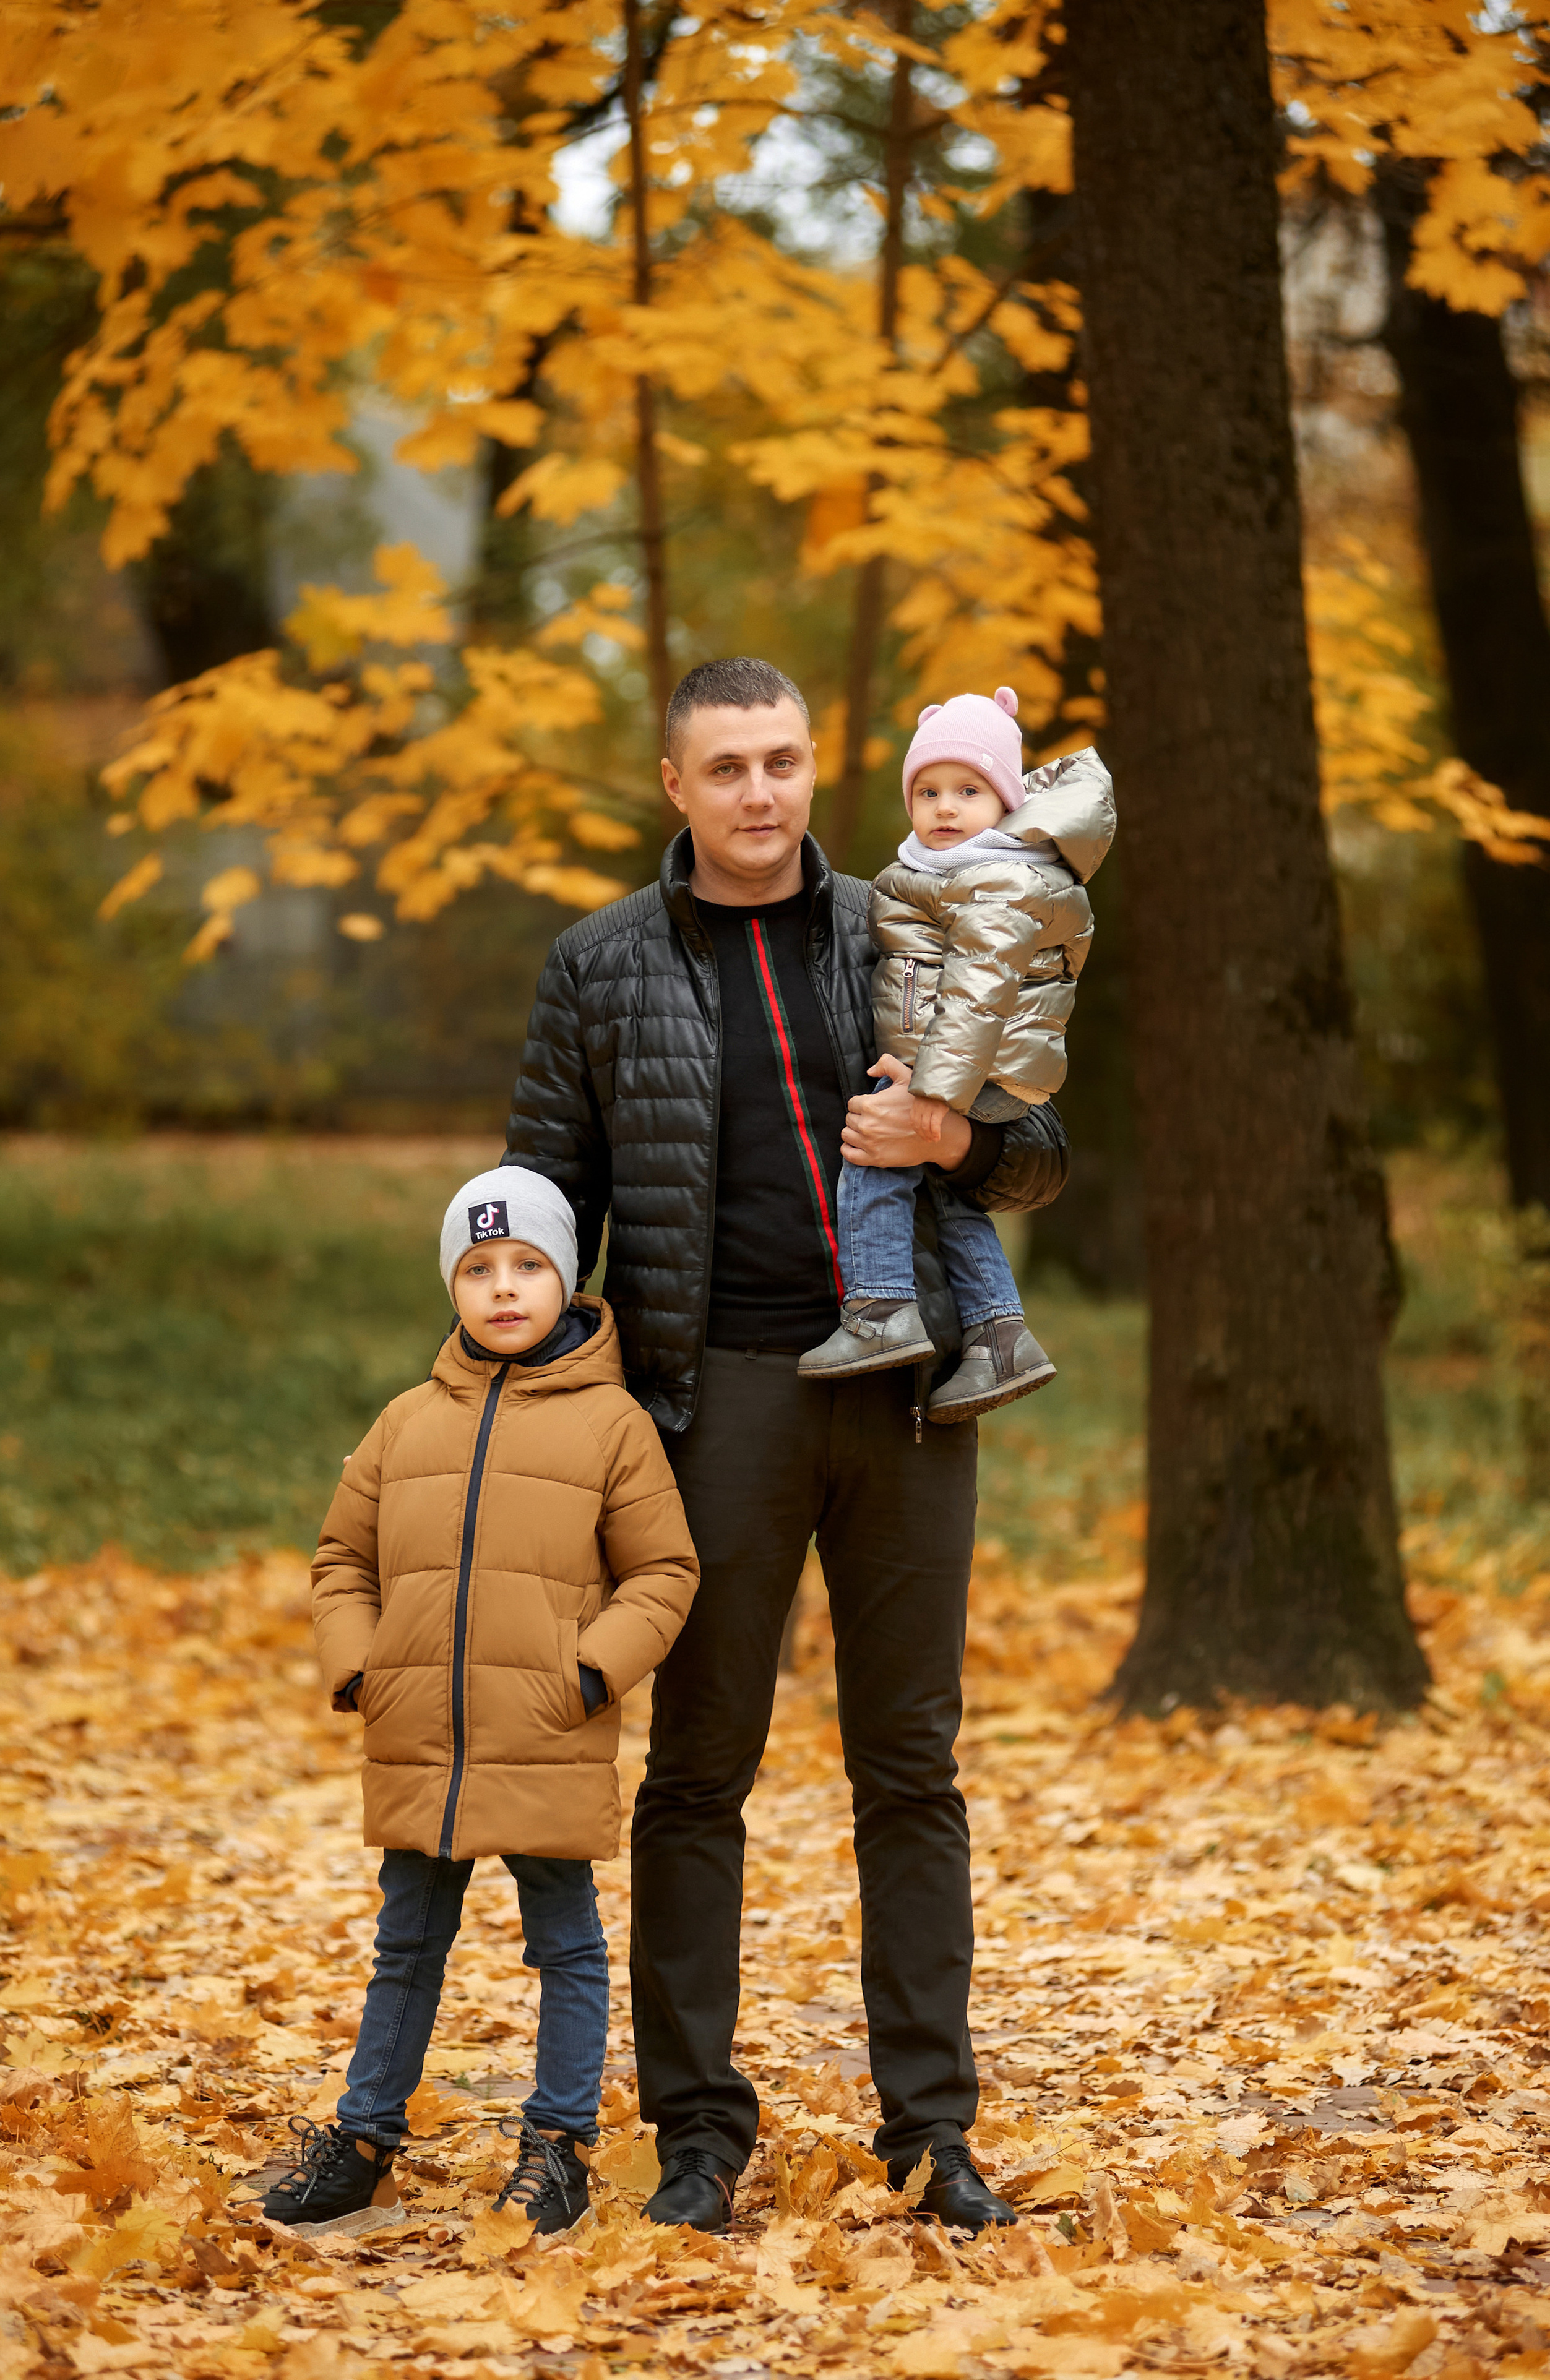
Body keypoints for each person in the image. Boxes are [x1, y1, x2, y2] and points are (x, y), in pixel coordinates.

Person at [505, 656, 1070, 2235]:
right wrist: (542, 1422)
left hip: (906, 1396)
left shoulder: (908, 918)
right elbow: (543, 1212)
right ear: (674, 785)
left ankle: (930, 2133)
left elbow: (1035, 1143)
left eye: (781, 760)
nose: (759, 791)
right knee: (696, 1771)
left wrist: (954, 1135)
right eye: (726, 767)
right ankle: (696, 2135)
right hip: (712, 1409)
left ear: (815, 767)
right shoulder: (596, 965)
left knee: (911, 1767)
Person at [261, 1167, 699, 2239]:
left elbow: (664, 1571)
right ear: (453, 1286)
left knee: (566, 1943)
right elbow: (341, 1557)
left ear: (567, 1279)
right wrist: (363, 1666)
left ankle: (558, 2147)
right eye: (478, 1267)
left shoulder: (613, 1425)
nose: (504, 1286)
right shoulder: (405, 1422)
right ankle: (365, 2138)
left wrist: (588, 1672)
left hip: (546, 1729)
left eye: (528, 1265)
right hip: (420, 1732)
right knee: (406, 1942)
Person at [799, 687, 1115, 1420]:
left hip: (979, 1067)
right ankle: (1000, 1335)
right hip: (973, 1063)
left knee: (874, 1151)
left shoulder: (997, 877)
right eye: (928, 791)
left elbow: (978, 988)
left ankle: (880, 1307)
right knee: (945, 1191)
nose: (945, 807)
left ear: (1005, 801)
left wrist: (932, 1093)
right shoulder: (955, 871)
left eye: (968, 791)